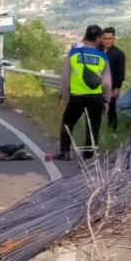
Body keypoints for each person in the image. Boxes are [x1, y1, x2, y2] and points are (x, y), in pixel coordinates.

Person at [57, 25, 112, 160]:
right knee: (93, 126)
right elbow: (106, 83)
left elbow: (65, 77)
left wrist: (63, 96)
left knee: (68, 122)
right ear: (98, 38)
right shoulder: (102, 57)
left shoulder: (74, 53)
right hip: (95, 97)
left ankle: (65, 152)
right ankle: (89, 155)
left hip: (77, 96)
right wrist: (107, 100)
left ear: (86, 36)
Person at [101, 27, 125, 132]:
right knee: (95, 110)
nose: (107, 41)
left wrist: (117, 88)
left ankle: (112, 132)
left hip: (111, 87)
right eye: (105, 38)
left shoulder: (119, 54)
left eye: (109, 38)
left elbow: (121, 72)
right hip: (96, 86)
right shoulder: (96, 51)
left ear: (114, 38)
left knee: (111, 110)